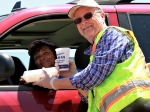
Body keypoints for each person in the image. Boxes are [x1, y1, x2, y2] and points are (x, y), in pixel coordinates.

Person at [32, 0, 150, 112]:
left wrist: (53, 83)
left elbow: (93, 75)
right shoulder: (95, 52)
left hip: (138, 106)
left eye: (88, 16)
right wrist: (72, 74)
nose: (84, 22)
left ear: (102, 16)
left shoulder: (112, 35)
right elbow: (91, 97)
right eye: (78, 20)